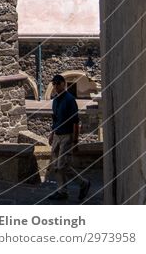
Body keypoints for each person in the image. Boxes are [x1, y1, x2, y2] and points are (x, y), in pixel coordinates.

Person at [47, 74, 91, 202]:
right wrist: (51, 133)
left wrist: (75, 141)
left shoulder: (70, 100)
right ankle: (62, 191)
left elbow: (76, 122)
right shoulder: (55, 100)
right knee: (56, 165)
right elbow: (55, 119)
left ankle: (83, 183)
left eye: (57, 83)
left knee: (62, 166)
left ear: (63, 84)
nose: (55, 86)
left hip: (67, 135)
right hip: (57, 135)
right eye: (53, 84)